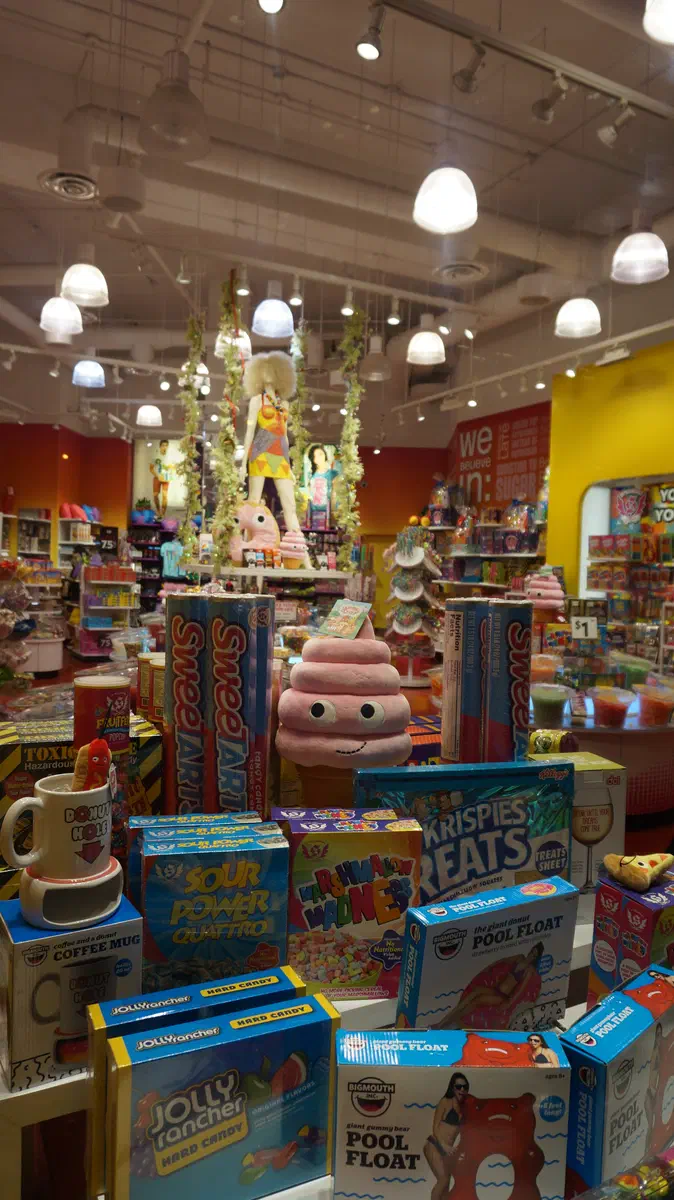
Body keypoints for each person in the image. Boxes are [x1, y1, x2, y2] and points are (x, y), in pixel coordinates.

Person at [435, 942, 544, 1029]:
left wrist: (509, 1004)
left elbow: (520, 990)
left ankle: (452, 1024)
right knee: (473, 994)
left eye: (534, 955)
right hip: (495, 989)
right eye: (532, 952)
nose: (531, 955)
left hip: (503, 997)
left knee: (475, 1002)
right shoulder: (519, 957)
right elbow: (501, 961)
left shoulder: (529, 970)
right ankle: (442, 1022)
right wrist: (487, 969)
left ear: (536, 958)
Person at [424, 1073, 469, 1200]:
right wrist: (443, 1145)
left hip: (447, 1151)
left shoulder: (464, 1107)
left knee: (446, 1185)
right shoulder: (445, 1102)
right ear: (452, 1087)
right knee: (443, 1179)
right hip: (435, 1144)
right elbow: (435, 1127)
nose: (462, 1089)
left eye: (464, 1087)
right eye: (458, 1086)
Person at [149, 439, 174, 518]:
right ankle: (158, 511)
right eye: (163, 445)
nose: (164, 447)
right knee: (155, 495)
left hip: (166, 477)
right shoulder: (155, 456)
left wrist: (171, 470)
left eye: (166, 445)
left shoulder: (170, 457)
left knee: (165, 495)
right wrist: (157, 476)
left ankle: (163, 513)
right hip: (157, 477)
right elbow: (151, 469)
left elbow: (173, 468)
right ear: (160, 447)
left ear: (168, 447)